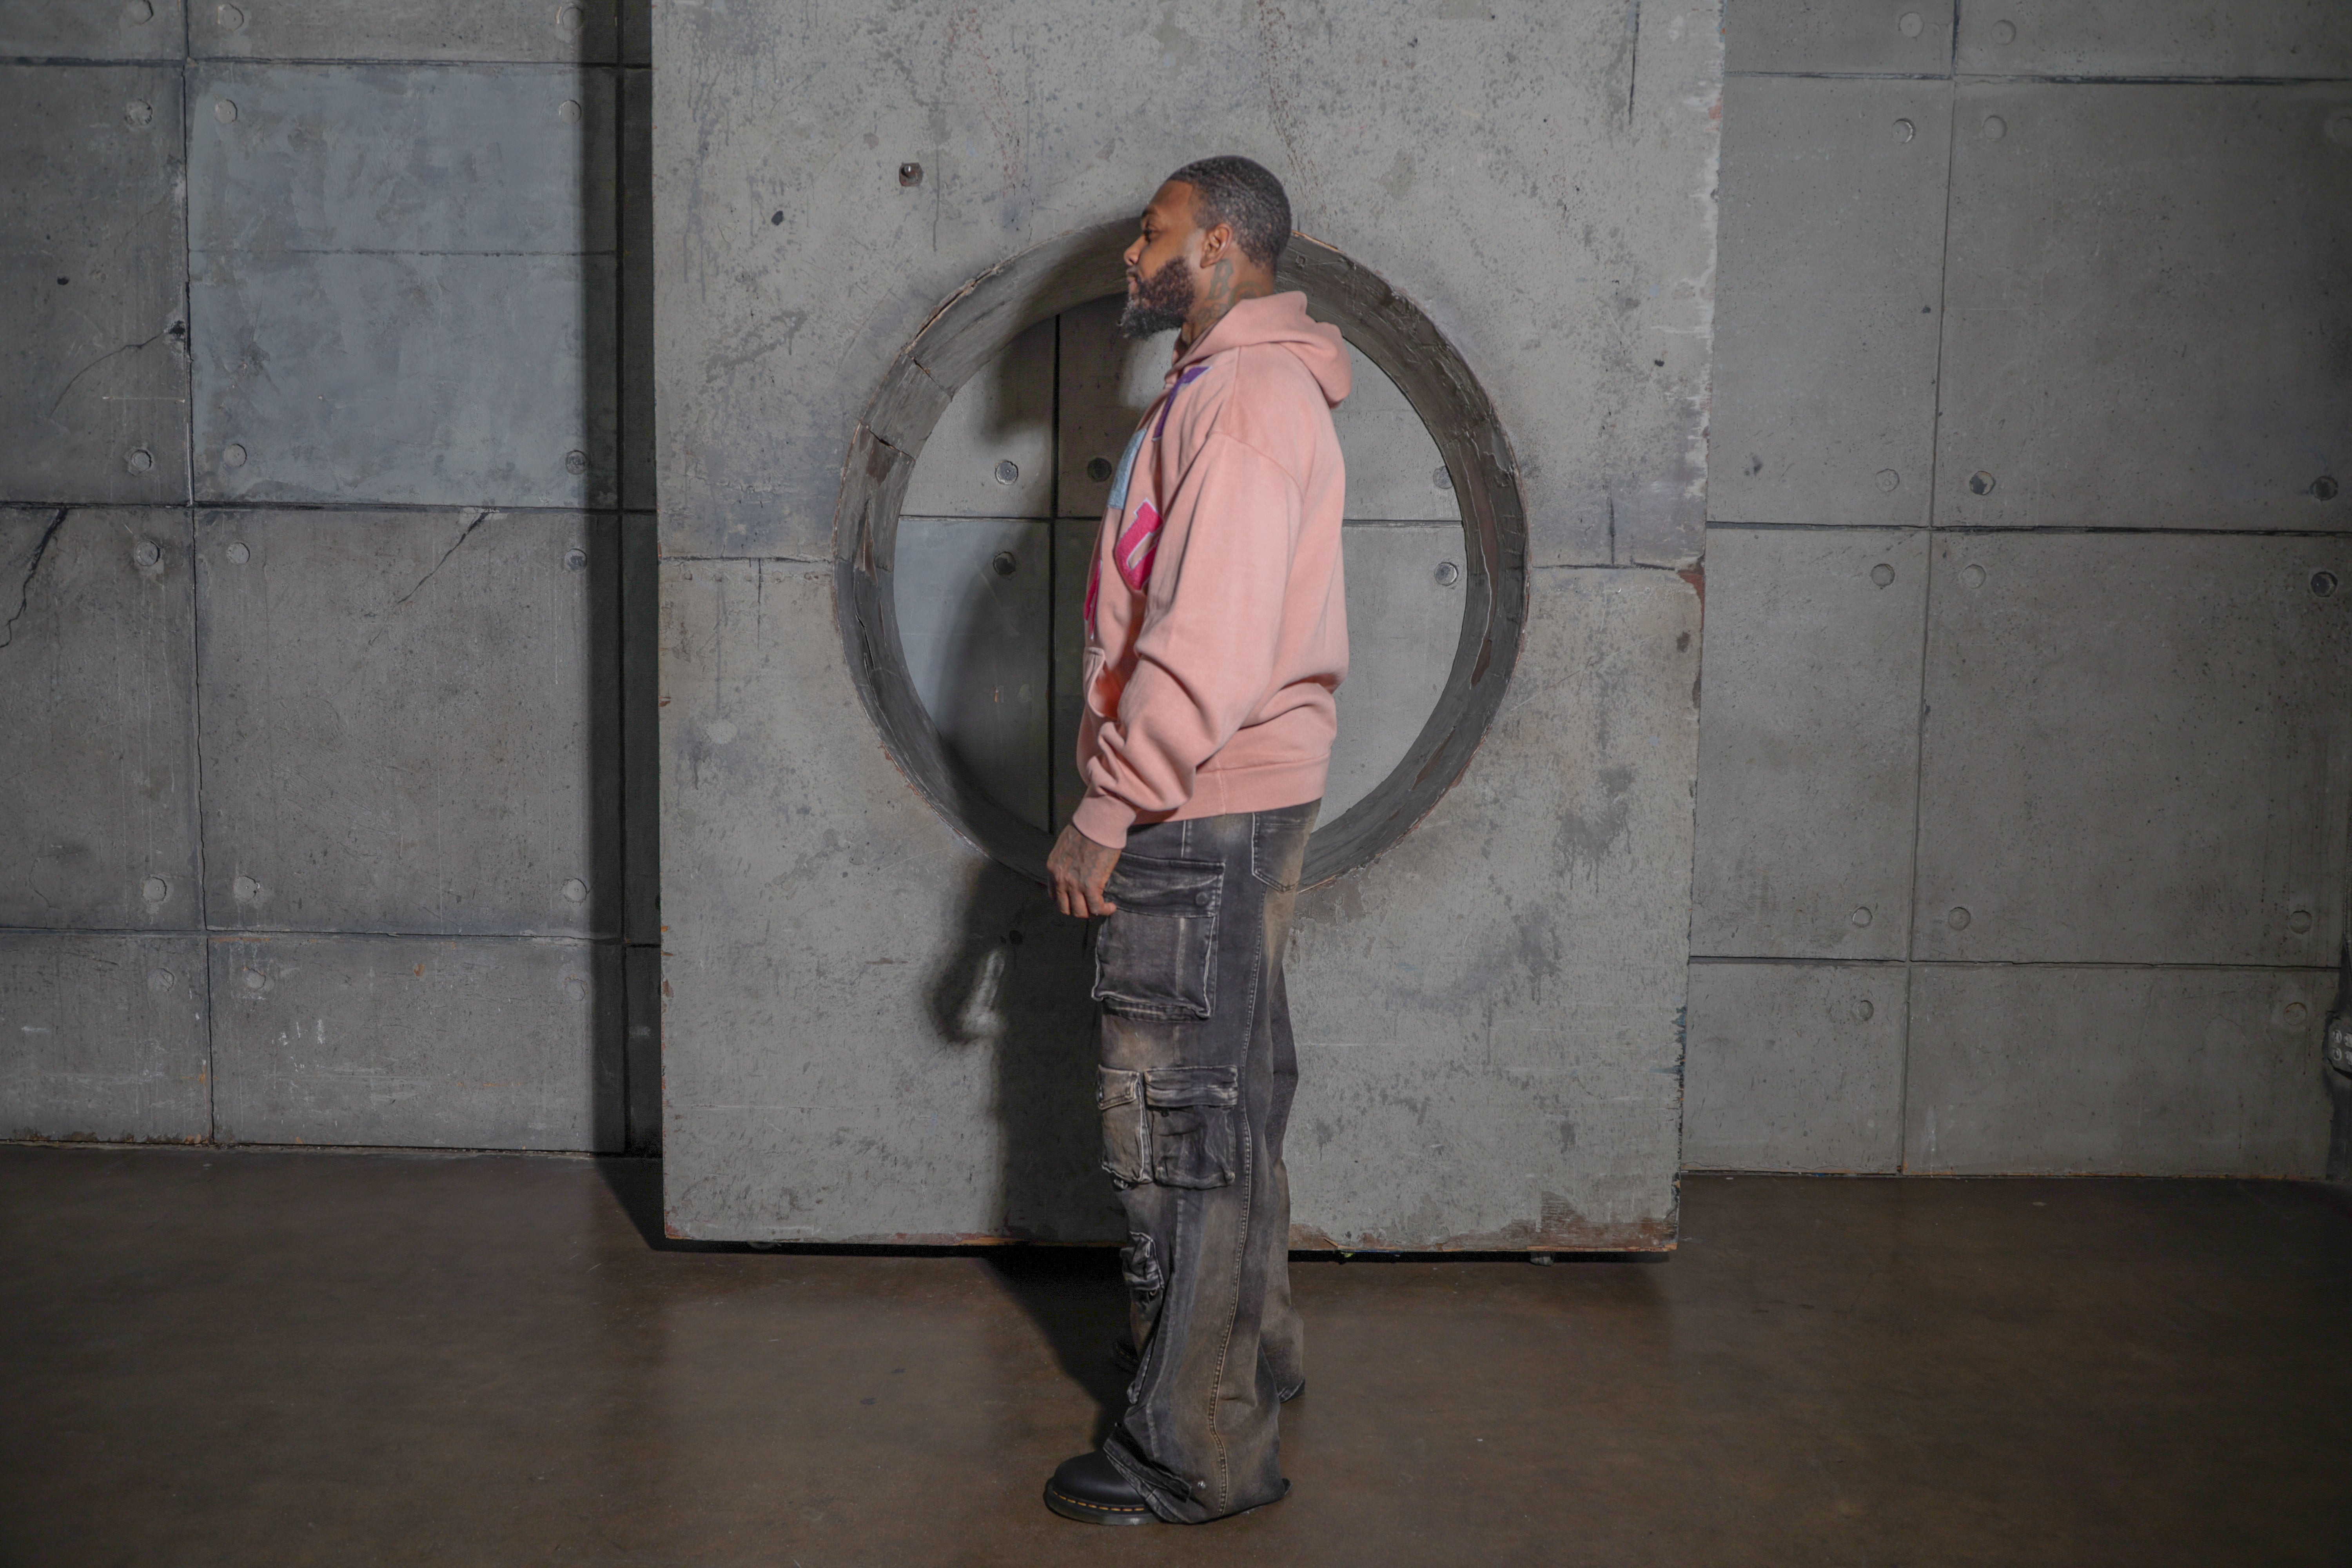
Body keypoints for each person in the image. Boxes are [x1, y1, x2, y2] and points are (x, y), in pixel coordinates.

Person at [1041, 155, 1351, 1526]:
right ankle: (1246, 1361)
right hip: (1231, 798)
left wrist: (1108, 807)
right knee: (1234, 1099)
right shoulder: (1227, 389)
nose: (1132, 252)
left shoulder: (1242, 402)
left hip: (1196, 805)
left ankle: (1200, 1450)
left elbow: (1208, 643)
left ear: (1218, 245)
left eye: (1152, 231)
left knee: (1182, 1128)